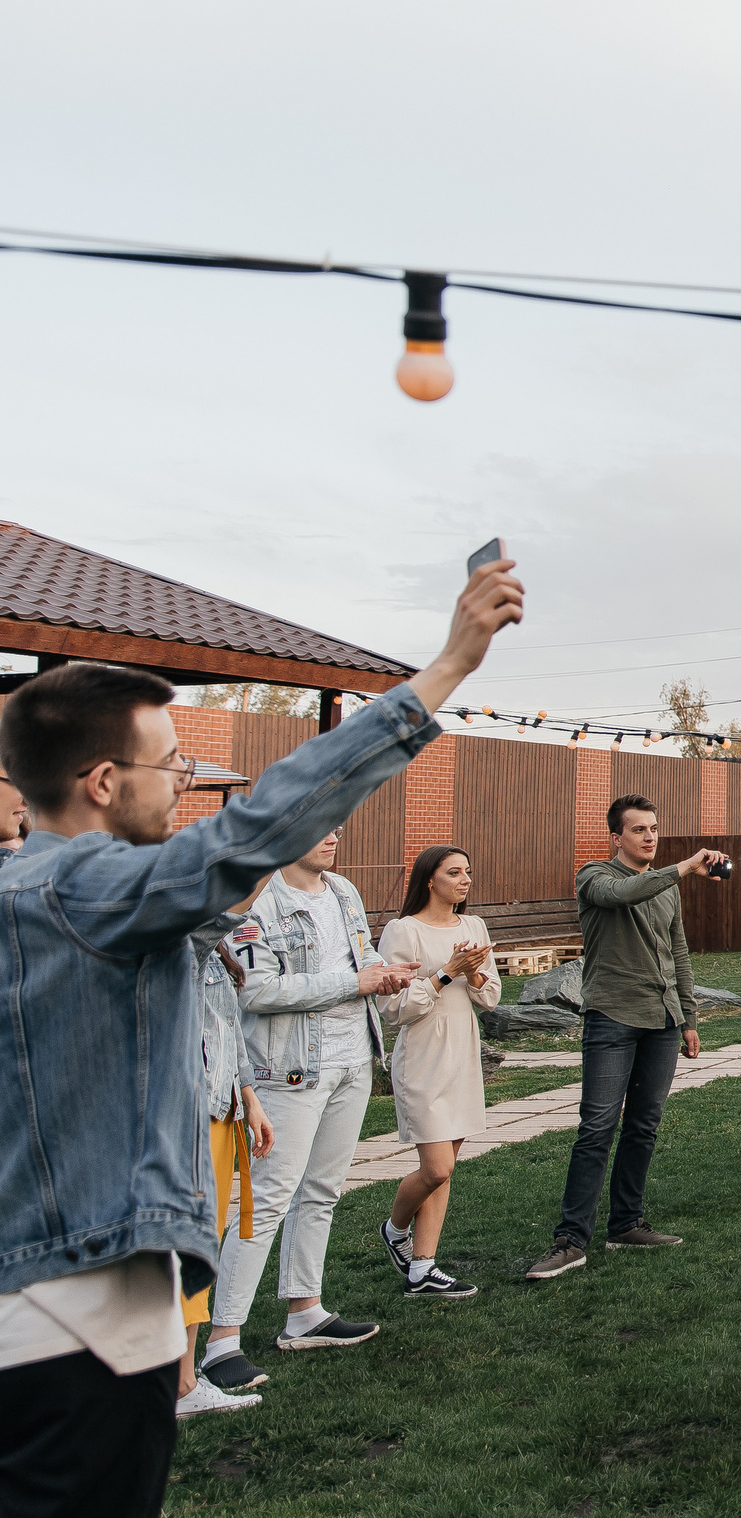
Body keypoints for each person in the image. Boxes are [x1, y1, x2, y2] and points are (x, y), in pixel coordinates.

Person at [0, 556, 522, 1518]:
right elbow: (252, 832)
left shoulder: (32, 893)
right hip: (74, 1327)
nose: (186, 784)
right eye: (172, 766)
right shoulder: (85, 892)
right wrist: (445, 667)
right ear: (104, 780)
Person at [203, 825, 410, 1389]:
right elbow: (254, 990)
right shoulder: (257, 900)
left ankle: (305, 1313)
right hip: (288, 1070)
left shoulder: (344, 891)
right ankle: (221, 1342)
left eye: (340, 824)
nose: (336, 834)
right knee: (266, 1199)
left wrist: (384, 977)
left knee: (321, 1191)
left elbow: (363, 957)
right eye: (320, 825)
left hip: (352, 1062)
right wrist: (355, 981)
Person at [530, 795, 723, 1280]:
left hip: (661, 1020)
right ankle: (571, 1239)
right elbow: (624, 895)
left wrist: (689, 1017)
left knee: (643, 1125)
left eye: (654, 828)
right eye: (639, 830)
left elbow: (677, 950)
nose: (650, 836)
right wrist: (682, 868)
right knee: (597, 1127)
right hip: (612, 1017)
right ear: (617, 837)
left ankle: (626, 1223)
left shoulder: (668, 887)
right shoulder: (594, 876)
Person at [375, 845, 499, 1300]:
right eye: (454, 872)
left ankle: (423, 1268)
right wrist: (447, 972)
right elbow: (394, 1009)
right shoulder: (402, 930)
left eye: (468, 871)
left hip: (463, 1055)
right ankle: (395, 1229)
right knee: (436, 1167)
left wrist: (476, 974)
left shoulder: (474, 926)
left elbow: (490, 997)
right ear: (430, 880)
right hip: (423, 1058)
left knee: (445, 1171)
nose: (465, 880)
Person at [176, 907, 273, 1418]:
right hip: (184, 1116)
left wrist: (250, 1096)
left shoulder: (213, 951)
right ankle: (181, 1384)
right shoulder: (183, 942)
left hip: (221, 1109)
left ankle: (181, 1379)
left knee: (203, 1240)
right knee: (187, 1245)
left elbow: (229, 1031)